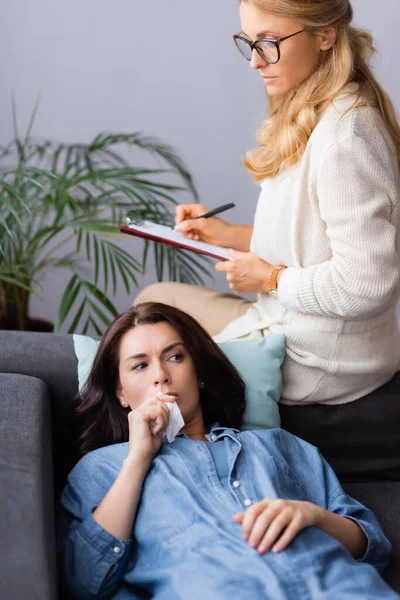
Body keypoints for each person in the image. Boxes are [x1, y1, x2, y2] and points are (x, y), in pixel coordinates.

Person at [134, 0, 400, 480]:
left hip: (318, 357)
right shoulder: (313, 106)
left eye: (269, 43)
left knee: (150, 330)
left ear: (324, 36)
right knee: (155, 302)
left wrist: (271, 279)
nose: (256, 60)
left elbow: (367, 283)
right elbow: (313, 240)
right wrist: (228, 236)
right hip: (291, 319)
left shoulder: (345, 137)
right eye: (249, 42)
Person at [58, 302, 399, 600]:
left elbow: (373, 547)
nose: (161, 375)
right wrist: (138, 459)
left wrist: (314, 517)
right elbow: (84, 582)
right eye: (140, 365)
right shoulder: (102, 468)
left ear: (200, 374)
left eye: (174, 357)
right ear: (120, 392)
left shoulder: (279, 445)